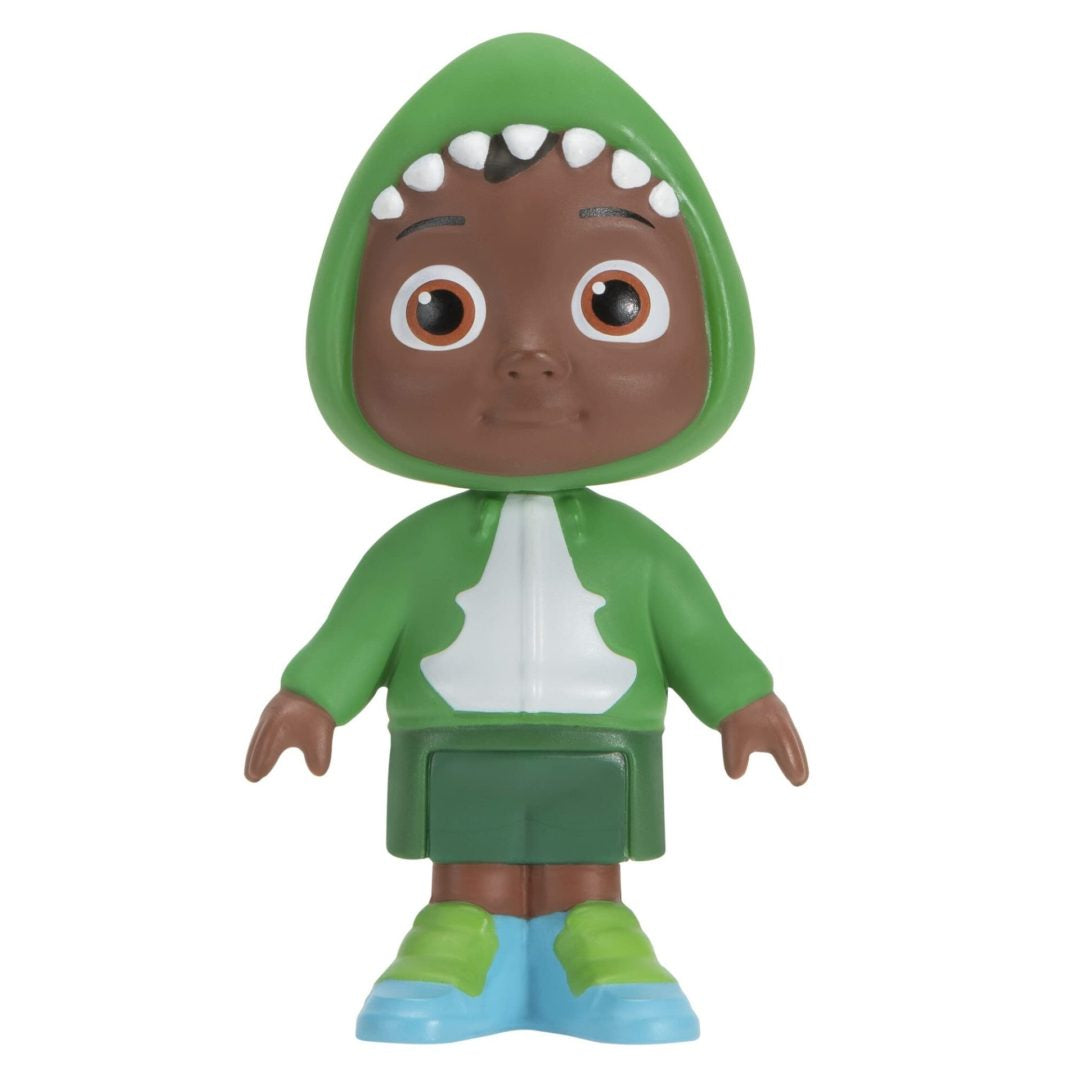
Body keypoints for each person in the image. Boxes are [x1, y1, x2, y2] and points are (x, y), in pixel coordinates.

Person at [245, 32, 808, 1044]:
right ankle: (462, 928)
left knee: (588, 847)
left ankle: (593, 928)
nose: (530, 356)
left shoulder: (639, 553)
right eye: (442, 310)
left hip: (604, 738)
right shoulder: (417, 553)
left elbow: (696, 629)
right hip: (453, 737)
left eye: (612, 303)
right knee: (470, 846)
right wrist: (312, 696)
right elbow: (360, 627)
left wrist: (743, 700)